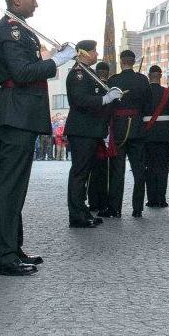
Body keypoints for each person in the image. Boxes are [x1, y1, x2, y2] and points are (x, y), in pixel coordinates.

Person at [0, 0, 73, 274]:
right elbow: (22, 73)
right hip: (16, 113)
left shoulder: (20, 28)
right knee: (9, 188)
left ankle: (13, 248)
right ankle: (3, 256)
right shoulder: (10, 30)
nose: (36, 3)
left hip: (22, 114)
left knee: (16, 188)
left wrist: (52, 57)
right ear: (17, 0)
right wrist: (56, 61)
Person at [63, 40, 111, 227]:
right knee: (79, 173)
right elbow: (79, 99)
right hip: (82, 129)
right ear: (83, 53)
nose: (97, 54)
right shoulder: (79, 73)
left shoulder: (88, 72)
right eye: (94, 51)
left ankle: (82, 210)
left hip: (89, 129)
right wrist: (104, 99)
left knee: (84, 173)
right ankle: (76, 215)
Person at [133, 65, 169, 215]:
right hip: (163, 136)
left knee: (148, 167)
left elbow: (137, 113)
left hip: (146, 135)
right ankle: (161, 199)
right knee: (162, 168)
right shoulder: (168, 93)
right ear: (160, 76)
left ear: (149, 75)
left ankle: (151, 199)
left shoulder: (142, 93)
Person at [104, 50, 146, 220]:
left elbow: (108, 105)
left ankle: (115, 209)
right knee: (139, 171)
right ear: (133, 62)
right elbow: (148, 104)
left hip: (119, 129)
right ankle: (138, 209)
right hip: (137, 128)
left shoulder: (113, 80)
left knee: (117, 171)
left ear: (121, 62)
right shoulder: (142, 80)